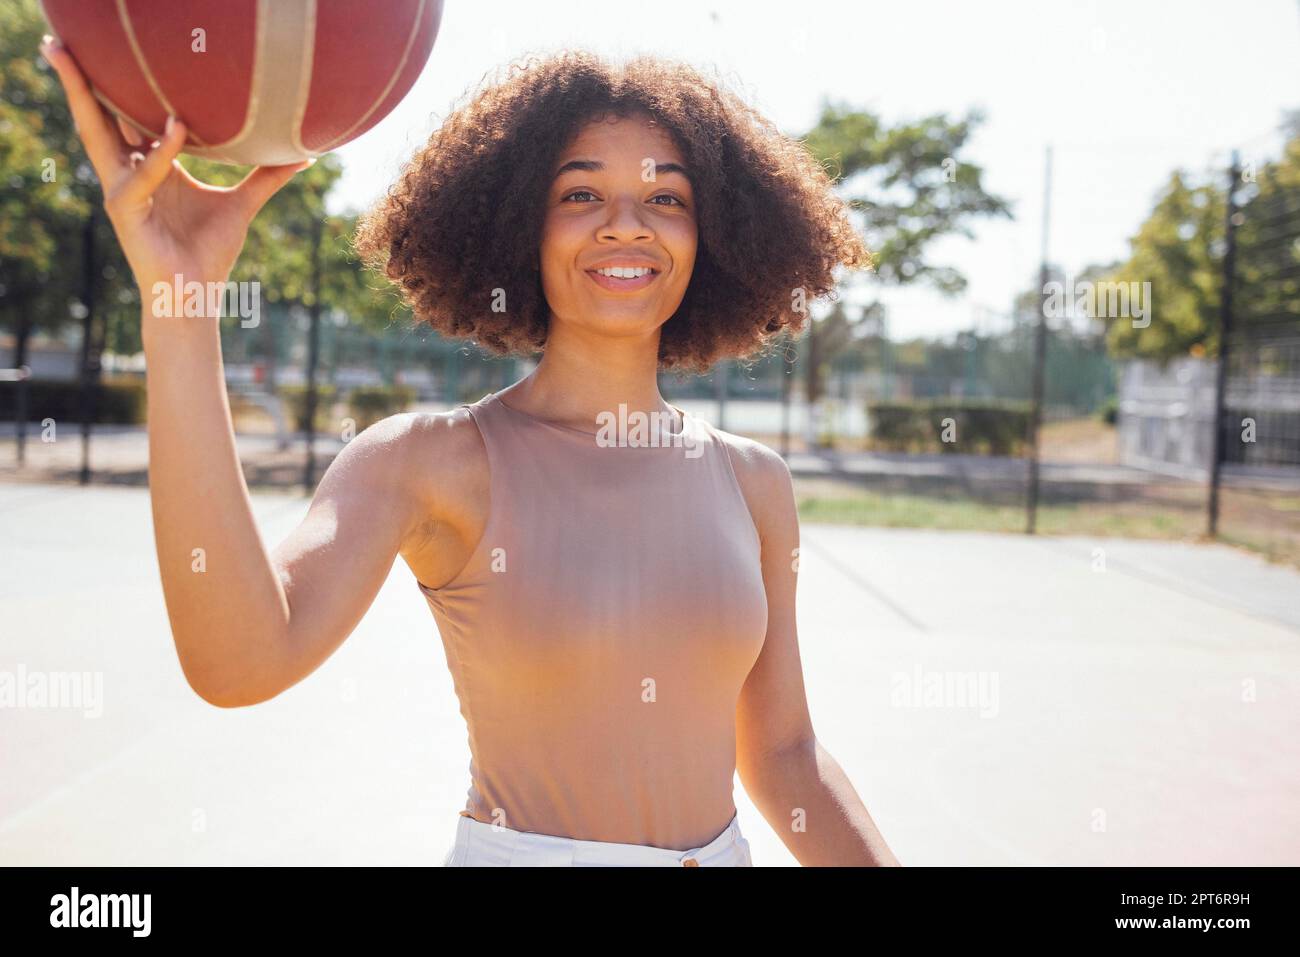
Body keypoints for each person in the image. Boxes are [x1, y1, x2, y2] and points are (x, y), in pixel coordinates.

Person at [40, 35, 900, 866]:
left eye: (666, 198)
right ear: (518, 224)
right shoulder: (429, 460)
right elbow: (238, 664)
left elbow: (783, 752)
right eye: (580, 195)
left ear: (710, 235)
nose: (625, 226)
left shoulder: (754, 484)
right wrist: (181, 302)